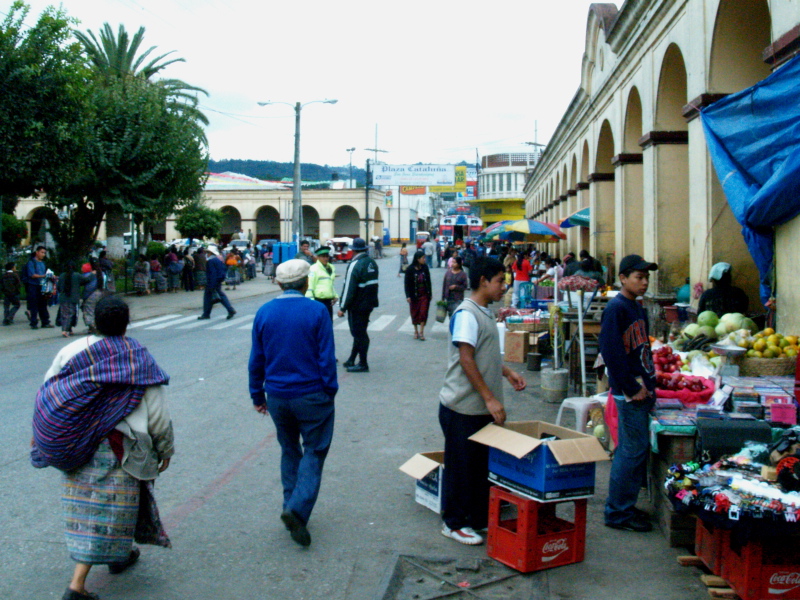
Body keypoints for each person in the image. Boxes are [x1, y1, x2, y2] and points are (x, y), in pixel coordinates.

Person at [32, 295, 173, 600]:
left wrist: (39, 432)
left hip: (77, 442)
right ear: (127, 323)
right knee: (106, 507)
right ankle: (76, 586)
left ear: (93, 321)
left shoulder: (70, 351)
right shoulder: (137, 358)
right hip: (116, 447)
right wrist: (165, 449)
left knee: (91, 506)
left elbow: (50, 392)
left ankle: (119, 556)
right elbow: (158, 414)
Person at [248, 259, 337, 547]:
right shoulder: (316, 311)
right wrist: (330, 391)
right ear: (306, 283)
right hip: (312, 394)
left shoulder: (264, 312)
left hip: (277, 396)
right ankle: (297, 510)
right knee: (315, 449)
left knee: (289, 449)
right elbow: (326, 357)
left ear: (278, 282)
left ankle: (291, 505)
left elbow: (256, 359)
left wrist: (256, 395)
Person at [438, 257, 527, 546]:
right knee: (460, 467)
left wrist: (508, 372)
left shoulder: (485, 312)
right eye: (500, 280)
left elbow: (484, 353)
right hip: (462, 406)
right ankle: (453, 523)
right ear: (483, 282)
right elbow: (466, 358)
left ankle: (476, 518)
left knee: (479, 467)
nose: (504, 286)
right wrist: (489, 398)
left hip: (479, 408)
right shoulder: (467, 313)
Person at [600, 254, 658, 533]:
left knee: (635, 451)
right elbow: (611, 353)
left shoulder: (637, 308)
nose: (644, 282)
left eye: (646, 277)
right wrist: (632, 387)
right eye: (639, 277)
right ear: (623, 278)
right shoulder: (617, 308)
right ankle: (618, 513)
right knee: (631, 451)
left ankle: (625, 505)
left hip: (641, 390)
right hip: (630, 394)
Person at [337, 238, 379, 373]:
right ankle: (352, 359)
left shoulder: (355, 264)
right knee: (360, 332)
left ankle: (363, 363)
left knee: (358, 334)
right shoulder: (371, 263)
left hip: (357, 305)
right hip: (369, 303)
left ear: (353, 250)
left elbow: (349, 288)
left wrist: (342, 307)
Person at [198, 247, 236, 321]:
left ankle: (206, 314)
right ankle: (230, 309)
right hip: (218, 280)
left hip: (212, 282)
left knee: (208, 298)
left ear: (210, 253)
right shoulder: (217, 260)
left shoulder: (211, 261)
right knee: (220, 296)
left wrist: (211, 284)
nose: (206, 254)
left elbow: (212, 273)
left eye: (207, 253)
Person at [404, 250, 432, 341]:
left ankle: (421, 332)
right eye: (423, 258)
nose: (424, 259)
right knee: (415, 313)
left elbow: (428, 281)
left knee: (423, 313)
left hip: (424, 294)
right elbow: (406, 284)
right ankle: (415, 331)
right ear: (418, 259)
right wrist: (408, 296)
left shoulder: (425, 267)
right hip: (414, 295)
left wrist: (430, 293)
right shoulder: (410, 269)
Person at [24, 246, 52, 329]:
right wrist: (43, 275)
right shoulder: (31, 263)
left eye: (44, 253)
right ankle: (34, 323)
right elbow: (32, 275)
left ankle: (45, 322)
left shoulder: (43, 263)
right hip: (33, 286)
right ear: (37, 252)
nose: (43, 254)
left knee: (43, 304)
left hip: (41, 285)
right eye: (42, 252)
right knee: (34, 305)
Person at [305, 247, 338, 319]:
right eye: (323, 256)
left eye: (327, 256)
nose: (326, 258)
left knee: (328, 324)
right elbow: (310, 287)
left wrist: (335, 295)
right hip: (318, 301)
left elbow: (330, 284)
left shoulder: (330, 268)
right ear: (318, 257)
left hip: (328, 302)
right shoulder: (313, 269)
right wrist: (311, 303)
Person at [57, 261, 83, 338]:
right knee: (71, 314)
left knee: (65, 314)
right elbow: (86, 280)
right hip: (73, 299)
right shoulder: (77, 275)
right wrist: (92, 274)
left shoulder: (62, 276)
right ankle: (65, 330)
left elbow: (58, 287)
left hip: (63, 299)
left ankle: (67, 329)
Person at [81, 259, 106, 335]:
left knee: (89, 311)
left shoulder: (88, 275)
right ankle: (97, 326)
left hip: (90, 294)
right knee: (96, 310)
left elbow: (82, 282)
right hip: (100, 292)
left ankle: (93, 327)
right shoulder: (101, 273)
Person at [3, 261, 21, 326]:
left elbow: (1, 284)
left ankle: (6, 320)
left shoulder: (4, 275)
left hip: (6, 293)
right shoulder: (15, 275)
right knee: (17, 305)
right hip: (14, 293)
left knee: (6, 307)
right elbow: (18, 284)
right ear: (12, 268)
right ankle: (9, 317)